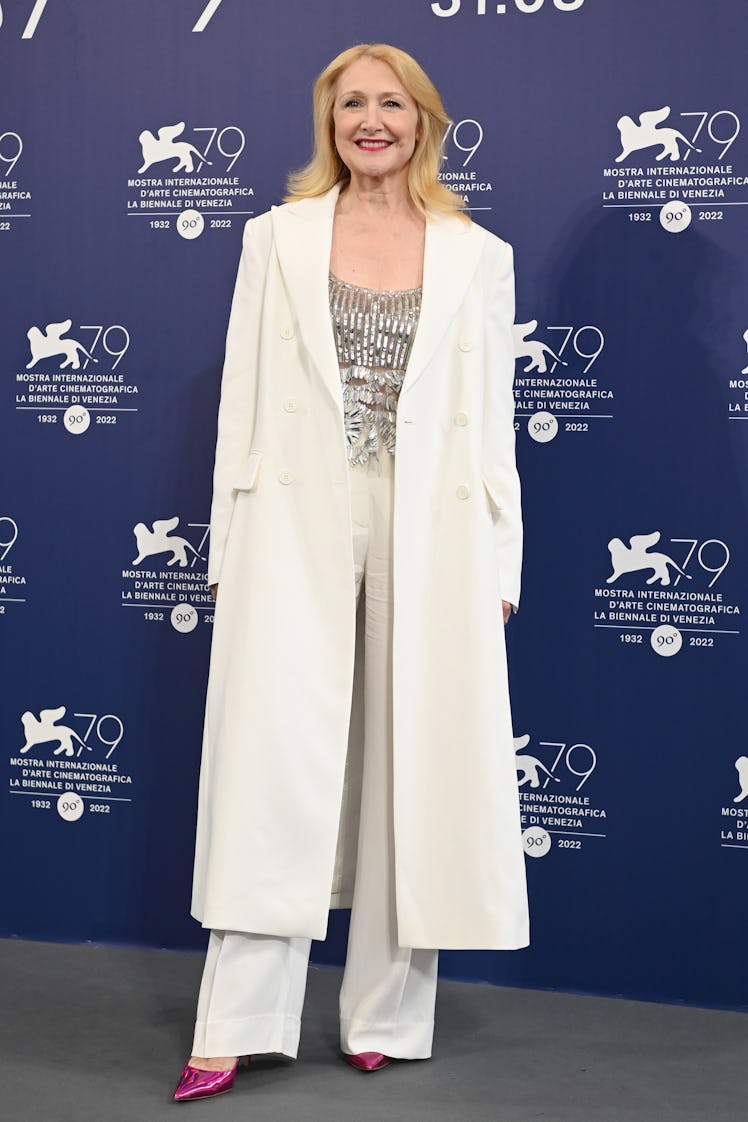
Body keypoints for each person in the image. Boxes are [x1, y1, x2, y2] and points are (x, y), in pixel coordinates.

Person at [174, 42, 529, 1103]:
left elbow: (494, 427)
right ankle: (231, 1023)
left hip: (434, 530)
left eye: (391, 103)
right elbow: (242, 396)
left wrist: (502, 559)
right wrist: (226, 547)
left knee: (404, 763)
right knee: (270, 770)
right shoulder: (272, 239)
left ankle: (382, 1014)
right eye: (350, 105)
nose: (370, 121)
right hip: (293, 520)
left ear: (424, 120)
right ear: (326, 121)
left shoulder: (478, 253)